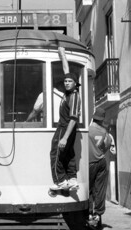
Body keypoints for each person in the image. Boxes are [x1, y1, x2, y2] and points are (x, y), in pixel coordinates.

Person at [49, 47, 81, 191]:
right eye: (65, 81)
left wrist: (65, 138)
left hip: (65, 128)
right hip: (66, 128)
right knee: (68, 154)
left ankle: (61, 181)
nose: (66, 82)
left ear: (75, 84)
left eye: (69, 81)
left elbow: (73, 118)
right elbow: (66, 69)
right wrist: (63, 55)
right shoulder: (69, 93)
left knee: (55, 153)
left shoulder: (74, 96)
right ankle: (72, 180)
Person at [88, 108, 116, 228]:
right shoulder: (105, 132)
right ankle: (98, 214)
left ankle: (89, 214)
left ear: (93, 117)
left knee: (88, 189)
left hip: (90, 163)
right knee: (100, 189)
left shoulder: (87, 130)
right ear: (102, 119)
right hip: (102, 162)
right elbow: (107, 146)